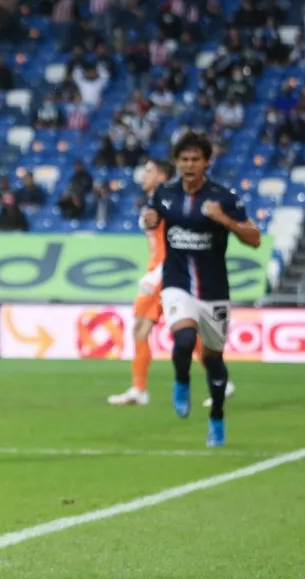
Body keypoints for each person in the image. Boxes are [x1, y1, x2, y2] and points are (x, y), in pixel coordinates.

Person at [141, 132, 261, 447]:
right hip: (177, 283)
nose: (190, 164)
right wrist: (149, 220)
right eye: (184, 159)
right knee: (183, 338)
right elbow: (152, 221)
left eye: (196, 159)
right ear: (178, 162)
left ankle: (217, 416)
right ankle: (181, 381)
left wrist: (224, 220)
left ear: (206, 162)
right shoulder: (164, 194)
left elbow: (254, 238)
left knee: (213, 359)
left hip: (214, 289)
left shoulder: (224, 197)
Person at [107, 159, 237, 408]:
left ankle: (143, 389)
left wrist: (157, 273)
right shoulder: (156, 202)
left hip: (165, 275)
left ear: (162, 176)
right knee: (149, 330)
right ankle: (140, 389)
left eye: (149, 171)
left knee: (169, 331)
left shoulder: (170, 204)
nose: (142, 175)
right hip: (160, 273)